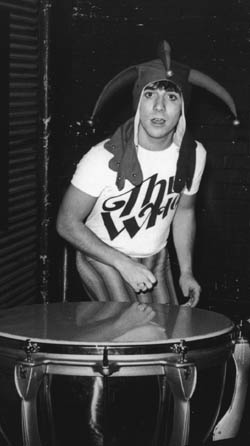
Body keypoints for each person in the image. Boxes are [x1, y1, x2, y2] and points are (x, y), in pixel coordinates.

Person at [57, 41, 238, 308]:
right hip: (103, 256)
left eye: (172, 98)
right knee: (133, 331)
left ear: (183, 110)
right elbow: (66, 223)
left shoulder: (194, 154)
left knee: (168, 333)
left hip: (155, 256)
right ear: (138, 104)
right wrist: (123, 263)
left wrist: (186, 271)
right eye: (150, 95)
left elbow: (184, 212)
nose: (159, 107)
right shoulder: (102, 157)